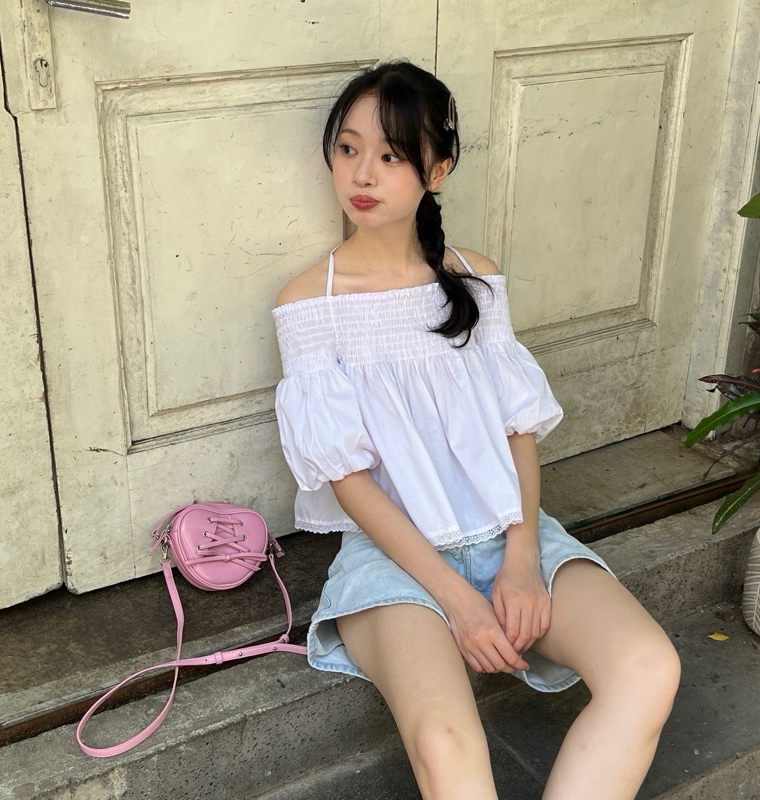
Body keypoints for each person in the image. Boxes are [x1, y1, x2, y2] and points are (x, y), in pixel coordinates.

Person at [271, 61, 680, 800]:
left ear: (438, 170)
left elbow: (518, 430)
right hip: (396, 562)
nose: (362, 174)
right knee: (444, 740)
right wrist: (459, 601)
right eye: (348, 149)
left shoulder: (476, 279)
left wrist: (521, 558)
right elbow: (349, 481)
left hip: (508, 533)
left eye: (391, 155)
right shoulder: (309, 304)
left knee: (649, 668)